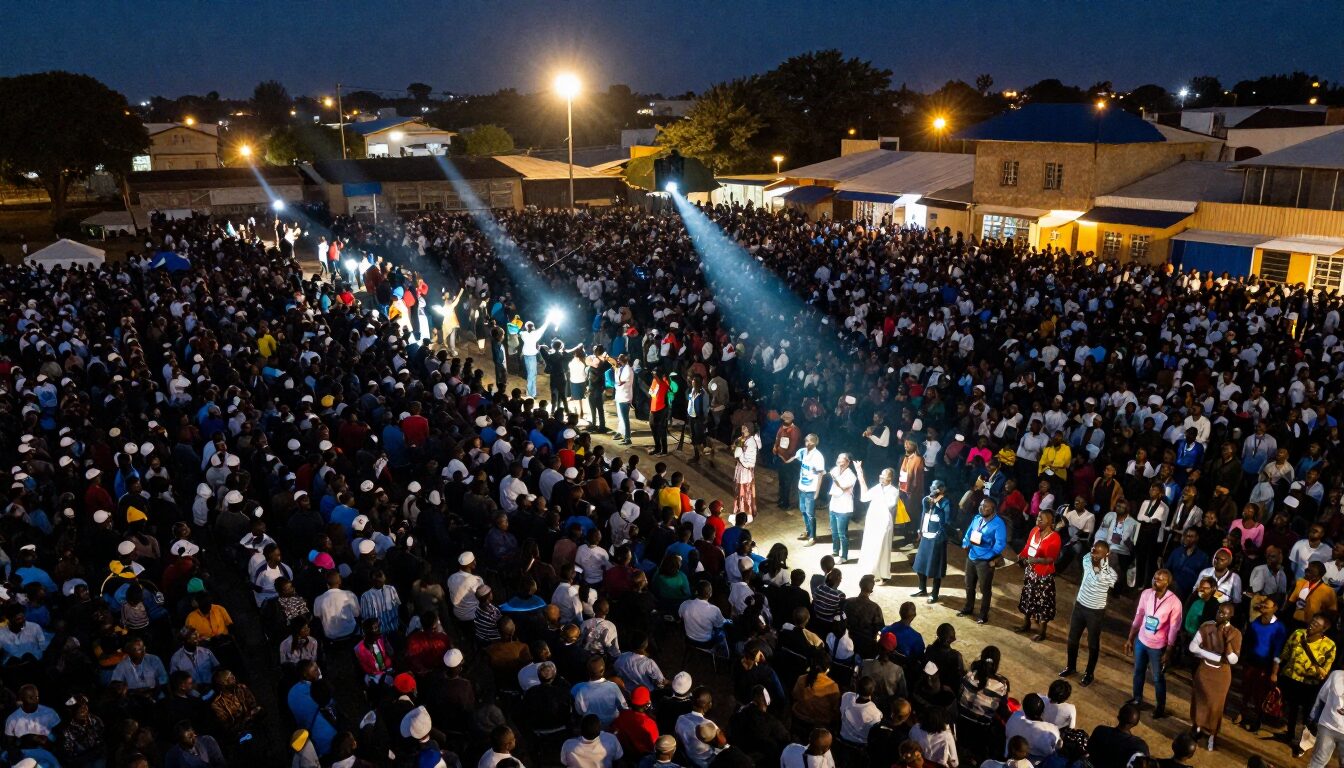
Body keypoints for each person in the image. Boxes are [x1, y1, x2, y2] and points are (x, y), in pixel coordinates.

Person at [1124, 569, 1181, 718]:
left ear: (1167, 583)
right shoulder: (1146, 594)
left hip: (1158, 646)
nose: (1155, 581)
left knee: (1157, 677)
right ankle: (1137, 699)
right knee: (1138, 671)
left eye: (1160, 579)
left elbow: (1174, 628)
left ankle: (1160, 707)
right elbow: (1139, 615)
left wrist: (1168, 651)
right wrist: (1130, 637)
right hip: (1142, 640)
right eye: (1155, 578)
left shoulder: (1175, 602)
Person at [1280, 615, 1338, 757]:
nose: (1312, 624)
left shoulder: (1329, 645)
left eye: (1317, 624)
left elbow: (1325, 671)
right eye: (1312, 621)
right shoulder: (1298, 633)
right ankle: (1289, 734)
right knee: (1292, 708)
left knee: (1308, 714)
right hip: (1292, 678)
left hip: (1310, 685)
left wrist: (1315, 673)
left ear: (1324, 629)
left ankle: (1302, 743)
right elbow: (1285, 653)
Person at [1060, 541, 1116, 687]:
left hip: (1095, 611)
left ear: (1107, 555)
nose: (1094, 555)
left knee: (1093, 644)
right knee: (1072, 639)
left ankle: (1089, 674)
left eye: (1099, 553)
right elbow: (1094, 570)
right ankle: (1071, 667)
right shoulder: (1086, 559)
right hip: (1080, 605)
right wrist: (1096, 562)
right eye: (1094, 551)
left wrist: (1100, 565)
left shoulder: (1111, 574)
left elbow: (1102, 577)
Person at [1188, 602, 1241, 751]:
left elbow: (1233, 660)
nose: (1220, 615)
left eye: (1224, 613)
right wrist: (1216, 657)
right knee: (1200, 701)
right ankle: (1197, 727)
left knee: (1216, 706)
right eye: (1219, 611)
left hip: (1221, 677)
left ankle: (1212, 734)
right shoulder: (1207, 626)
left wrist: (1228, 642)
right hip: (1204, 671)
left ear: (1231, 616)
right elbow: (1192, 647)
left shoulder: (1235, 633)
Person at [1240, 595, 1288, 733]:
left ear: (1275, 608)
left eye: (1267, 606)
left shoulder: (1279, 628)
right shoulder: (1255, 621)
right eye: (1263, 605)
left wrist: (1274, 672)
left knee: (1260, 695)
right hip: (1251, 662)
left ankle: (1257, 721)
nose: (1263, 607)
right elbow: (1247, 641)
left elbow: (1278, 652)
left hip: (1265, 666)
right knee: (1246, 690)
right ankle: (1241, 713)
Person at [1016, 507, 1062, 642]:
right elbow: (1028, 546)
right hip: (1031, 572)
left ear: (1050, 522)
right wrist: (1021, 555)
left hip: (1044, 576)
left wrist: (1035, 560)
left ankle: (1042, 632)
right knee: (1028, 598)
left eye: (1042, 518)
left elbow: (1051, 559)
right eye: (1038, 517)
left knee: (1043, 603)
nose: (1038, 519)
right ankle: (1026, 624)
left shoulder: (1055, 538)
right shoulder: (1034, 531)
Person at [959, 499, 1007, 625]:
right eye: (981, 505)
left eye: (986, 506)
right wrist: (965, 543)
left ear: (993, 509)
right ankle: (968, 608)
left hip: (985, 562)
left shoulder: (998, 523)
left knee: (984, 589)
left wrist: (989, 556)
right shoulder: (977, 519)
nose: (982, 508)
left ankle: (983, 615)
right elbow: (968, 534)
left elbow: (1000, 544)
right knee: (969, 585)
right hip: (971, 556)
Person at [854, 462, 898, 583]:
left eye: (884, 476)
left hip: (884, 523)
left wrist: (878, 494)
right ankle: (870, 572)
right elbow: (864, 497)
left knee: (882, 548)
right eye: (881, 475)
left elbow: (889, 505)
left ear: (890, 478)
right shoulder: (877, 487)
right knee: (871, 546)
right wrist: (860, 474)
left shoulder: (894, 491)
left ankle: (882, 575)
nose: (881, 477)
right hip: (872, 521)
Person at [912, 481, 952, 603]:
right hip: (925, 536)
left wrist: (935, 505)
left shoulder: (945, 502)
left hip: (937, 539)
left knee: (936, 568)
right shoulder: (927, 500)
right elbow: (923, 514)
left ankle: (934, 594)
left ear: (942, 489)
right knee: (920, 564)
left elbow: (947, 521)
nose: (932, 489)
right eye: (931, 486)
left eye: (935, 487)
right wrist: (920, 530)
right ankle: (922, 589)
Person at [786, 434, 826, 547]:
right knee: (803, 511)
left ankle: (813, 537)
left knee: (810, 514)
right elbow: (793, 458)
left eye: (809, 441)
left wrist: (817, 492)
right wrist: (783, 458)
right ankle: (808, 532)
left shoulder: (818, 456)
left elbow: (821, 475)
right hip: (802, 488)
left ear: (815, 443)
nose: (807, 443)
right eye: (806, 440)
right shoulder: (803, 451)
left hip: (811, 490)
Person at [1088, 703, 1148, 768]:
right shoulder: (1139, 745)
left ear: (1118, 717)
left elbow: (1088, 752)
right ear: (1136, 723)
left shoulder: (1100, 731)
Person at [1308, 669, 1344, 768]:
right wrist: (1313, 716)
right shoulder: (1336, 675)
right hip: (1327, 725)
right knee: (1318, 761)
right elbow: (1322, 697)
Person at [827, 454, 858, 563]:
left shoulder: (851, 475)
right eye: (838, 459)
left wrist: (835, 478)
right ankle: (835, 551)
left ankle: (844, 556)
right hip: (834, 505)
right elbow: (830, 473)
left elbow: (843, 487)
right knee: (834, 532)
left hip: (844, 508)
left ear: (848, 462)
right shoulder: (835, 470)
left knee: (842, 534)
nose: (839, 462)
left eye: (842, 460)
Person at [732, 424, 762, 522]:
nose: (742, 428)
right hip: (740, 467)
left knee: (745, 490)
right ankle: (740, 509)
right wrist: (735, 448)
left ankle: (746, 511)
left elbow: (749, 459)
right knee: (739, 489)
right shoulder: (741, 438)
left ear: (750, 429)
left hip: (746, 469)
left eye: (745, 427)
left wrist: (739, 454)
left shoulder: (751, 442)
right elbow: (734, 447)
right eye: (743, 426)